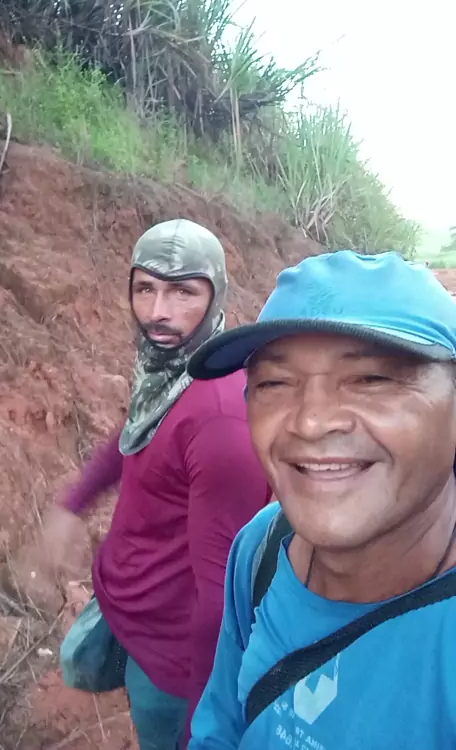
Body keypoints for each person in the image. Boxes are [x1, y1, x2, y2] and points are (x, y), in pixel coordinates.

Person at [186, 250, 456, 749]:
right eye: (274, 383)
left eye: (371, 379)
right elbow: (221, 725)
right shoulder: (262, 547)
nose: (311, 422)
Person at [41, 218, 270, 750]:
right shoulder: (171, 372)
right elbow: (134, 432)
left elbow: (221, 597)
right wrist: (74, 503)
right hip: (129, 608)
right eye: (145, 288)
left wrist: (202, 725)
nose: (158, 312)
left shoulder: (219, 419)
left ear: (215, 298)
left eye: (183, 292)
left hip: (172, 661)